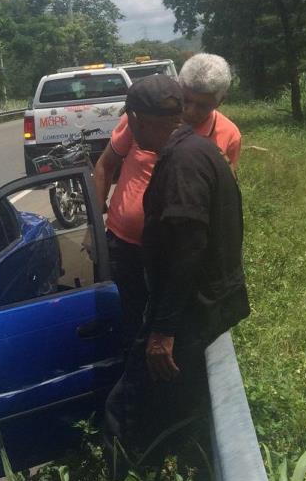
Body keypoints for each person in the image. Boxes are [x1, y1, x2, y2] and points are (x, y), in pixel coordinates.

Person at [103, 74, 250, 460]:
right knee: (175, 400)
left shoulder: (182, 163)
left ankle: (132, 477)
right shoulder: (195, 149)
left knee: (130, 404)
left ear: (138, 119)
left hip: (188, 309)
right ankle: (173, 465)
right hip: (196, 302)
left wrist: (162, 331)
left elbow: (187, 252)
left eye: (131, 121)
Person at [92, 53, 241, 353]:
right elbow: (105, 166)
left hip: (174, 257)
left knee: (163, 329)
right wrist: (94, 229)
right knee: (130, 321)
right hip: (125, 243)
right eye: (187, 100)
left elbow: (220, 202)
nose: (192, 111)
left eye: (204, 104)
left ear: (220, 102)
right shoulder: (143, 119)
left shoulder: (228, 136)